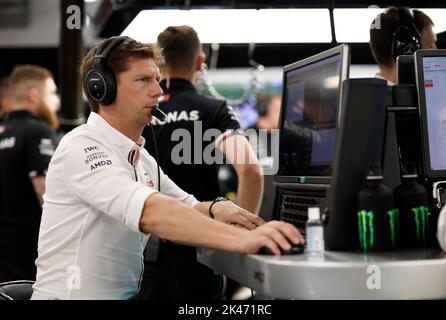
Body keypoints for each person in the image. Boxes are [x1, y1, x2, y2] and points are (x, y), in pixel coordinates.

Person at [31, 36, 303, 300]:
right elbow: (150, 211)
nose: (158, 91)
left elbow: (186, 204)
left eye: (157, 80)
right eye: (143, 80)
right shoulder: (81, 146)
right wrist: (241, 241)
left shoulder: (141, 157)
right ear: (102, 88)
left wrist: (216, 208)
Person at [137, 25, 264, 300]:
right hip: (202, 248)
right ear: (200, 61)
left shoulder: (141, 112)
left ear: (158, 62)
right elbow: (251, 170)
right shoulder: (214, 110)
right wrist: (238, 237)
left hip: (145, 252)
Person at [0, 65, 58, 282]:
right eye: (52, 93)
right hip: (29, 258)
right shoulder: (38, 131)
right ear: (34, 96)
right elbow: (48, 198)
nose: (56, 101)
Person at [369, 6, 437, 85]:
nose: (437, 51)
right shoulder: (424, 96)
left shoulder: (366, 95)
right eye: (430, 45)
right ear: (406, 52)